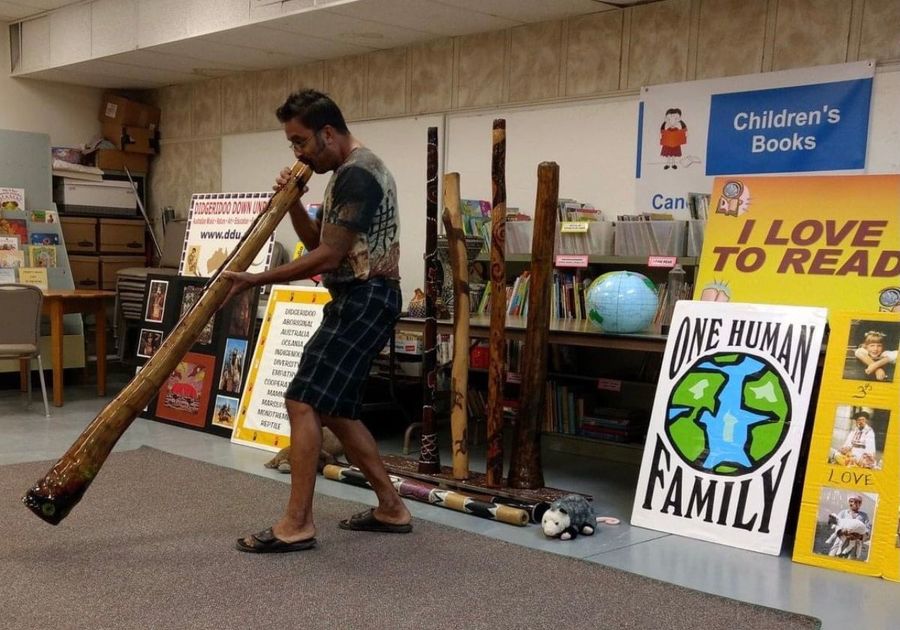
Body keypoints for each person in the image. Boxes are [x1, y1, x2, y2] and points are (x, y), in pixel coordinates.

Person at [222, 89, 410, 553]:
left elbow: (328, 255)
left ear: (328, 133)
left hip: (367, 298)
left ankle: (297, 523)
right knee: (337, 410)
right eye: (292, 144)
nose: (298, 152)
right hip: (359, 296)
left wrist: (255, 279)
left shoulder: (358, 176)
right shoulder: (343, 174)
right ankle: (392, 507)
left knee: (302, 400)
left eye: (301, 141)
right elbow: (318, 244)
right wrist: (291, 202)